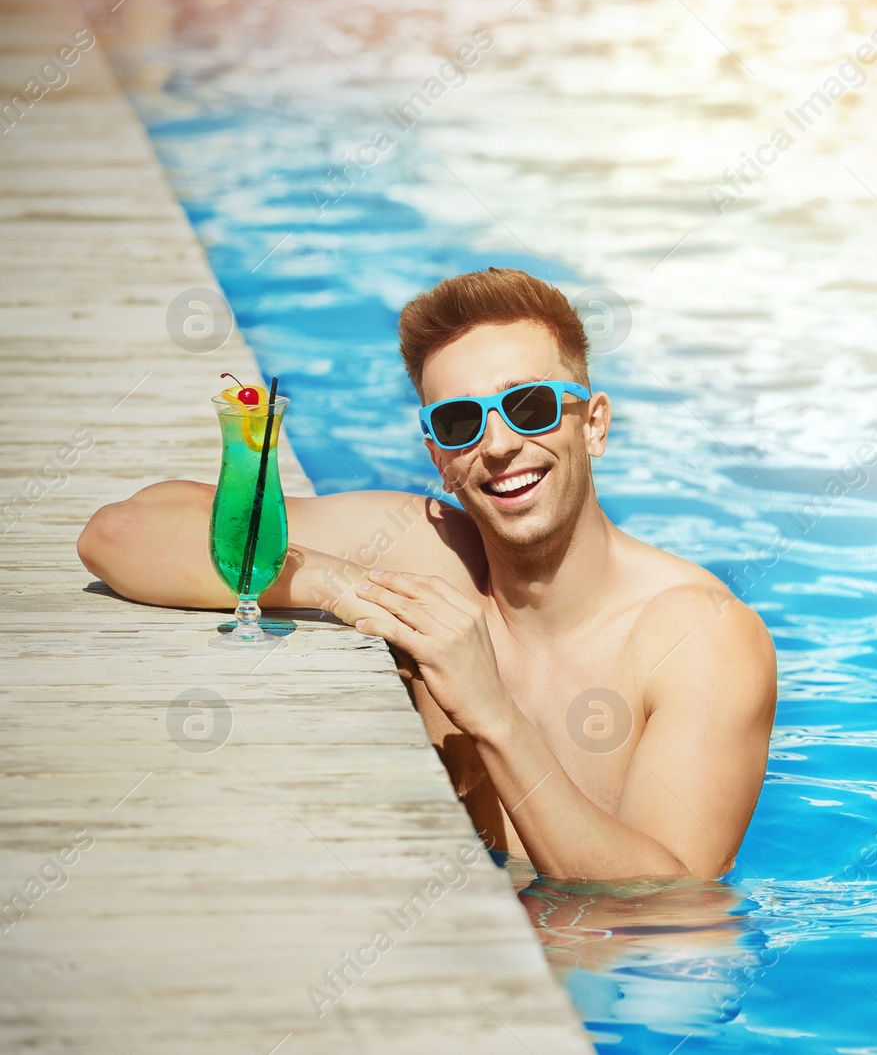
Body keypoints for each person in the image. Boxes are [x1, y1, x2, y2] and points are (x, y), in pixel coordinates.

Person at [77, 268, 777, 882]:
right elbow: (120, 535)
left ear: (593, 424)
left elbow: (669, 901)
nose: (499, 444)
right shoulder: (430, 555)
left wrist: (492, 713)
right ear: (439, 455)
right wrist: (340, 586)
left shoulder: (699, 637)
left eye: (529, 406)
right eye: (461, 421)